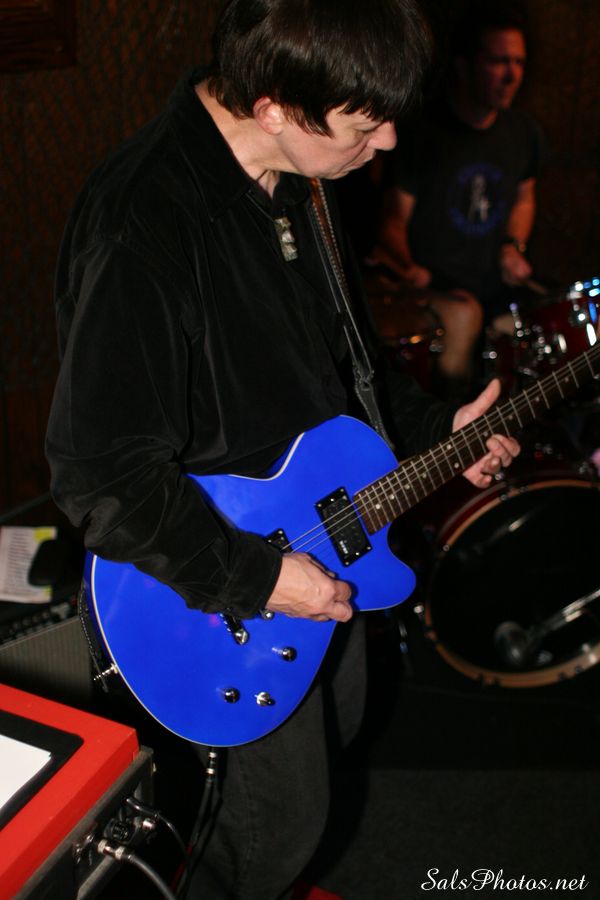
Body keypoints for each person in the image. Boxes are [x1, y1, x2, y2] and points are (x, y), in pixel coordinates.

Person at [45, 1, 519, 897]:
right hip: (211, 589)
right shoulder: (144, 220)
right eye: (363, 125)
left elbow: (341, 368)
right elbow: (100, 472)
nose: (385, 144)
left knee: (338, 739)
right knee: (265, 838)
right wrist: (258, 579)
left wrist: (435, 433)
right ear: (272, 107)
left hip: (324, 538)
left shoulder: (298, 179)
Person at [373, 0, 545, 397]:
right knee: (466, 315)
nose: (511, 75)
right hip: (434, 285)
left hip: (493, 285)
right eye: (498, 62)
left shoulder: (524, 132)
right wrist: (408, 268)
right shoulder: (421, 133)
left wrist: (512, 246)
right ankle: (453, 420)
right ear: (464, 66)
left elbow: (525, 197)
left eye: (518, 62)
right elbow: (392, 222)